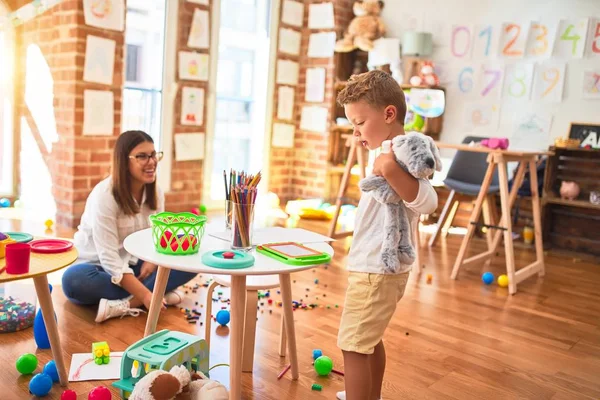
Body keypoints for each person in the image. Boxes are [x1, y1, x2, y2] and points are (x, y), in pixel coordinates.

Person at [334, 70, 438, 400]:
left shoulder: (404, 151)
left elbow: (429, 202)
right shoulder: (387, 148)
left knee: (352, 344)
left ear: (389, 114)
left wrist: (391, 170)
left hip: (377, 268)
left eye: (360, 123)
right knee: (368, 339)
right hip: (375, 265)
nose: (355, 132)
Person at [62, 130, 197, 323]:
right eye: (142, 156)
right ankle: (155, 294)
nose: (151, 162)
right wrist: (144, 294)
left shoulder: (156, 192)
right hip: (97, 267)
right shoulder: (105, 196)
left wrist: (152, 260)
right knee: (73, 281)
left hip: (135, 265)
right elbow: (108, 258)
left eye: (153, 154)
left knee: (190, 252)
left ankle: (125, 305)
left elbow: (157, 236)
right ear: (124, 162)